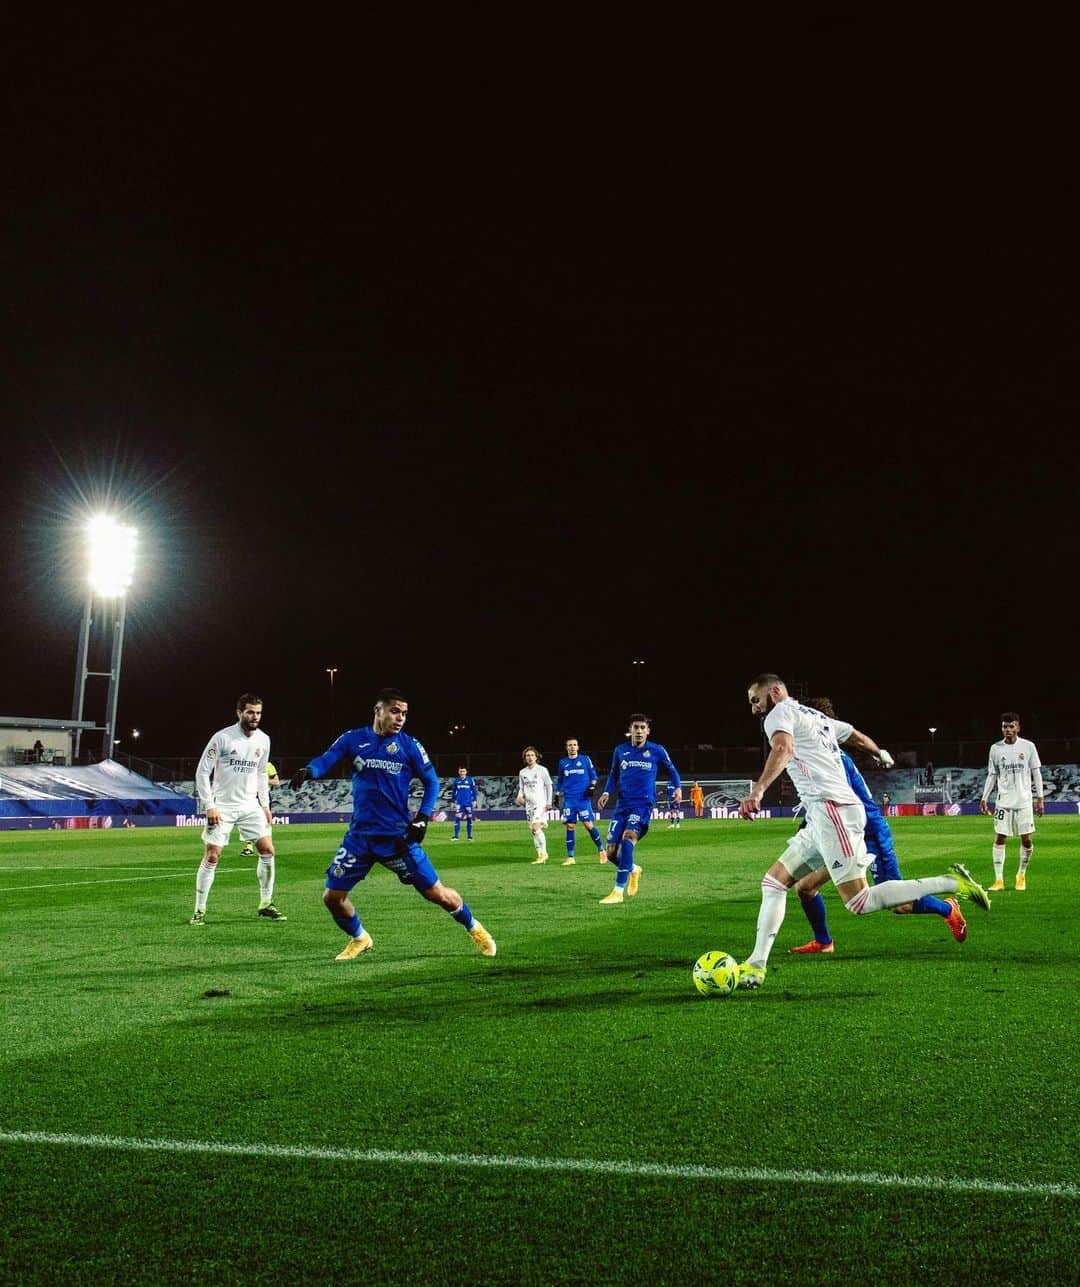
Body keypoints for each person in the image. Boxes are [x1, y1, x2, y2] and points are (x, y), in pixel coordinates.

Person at [735, 674, 990, 990]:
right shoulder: (815, 717)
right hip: (822, 815)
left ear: (774, 692)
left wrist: (758, 790)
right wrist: (878, 751)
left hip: (834, 812)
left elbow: (784, 747)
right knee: (774, 882)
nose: (754, 709)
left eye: (755, 700)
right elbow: (854, 735)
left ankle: (954, 883)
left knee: (859, 902)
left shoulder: (780, 713)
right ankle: (757, 965)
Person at [290, 687, 495, 959]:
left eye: (404, 713)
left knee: (438, 895)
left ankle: (476, 929)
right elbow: (328, 758)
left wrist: (422, 818)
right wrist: (310, 770)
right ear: (378, 710)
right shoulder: (354, 739)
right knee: (332, 898)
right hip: (360, 839)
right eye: (395, 711)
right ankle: (359, 938)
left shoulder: (409, 745)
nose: (400, 718)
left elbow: (431, 781)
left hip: (398, 840)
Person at [788, 698, 967, 954]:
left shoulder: (834, 759)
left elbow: (837, 803)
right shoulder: (816, 755)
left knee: (899, 905)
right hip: (840, 832)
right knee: (805, 887)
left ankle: (948, 907)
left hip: (867, 831)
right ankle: (824, 943)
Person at [190, 693, 283, 925]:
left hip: (250, 805)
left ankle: (266, 902)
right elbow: (202, 772)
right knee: (212, 855)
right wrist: (209, 805)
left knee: (268, 850)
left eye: (258, 713)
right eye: (250, 712)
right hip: (223, 805)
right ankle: (199, 909)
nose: (255, 717)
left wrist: (264, 805)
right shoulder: (222, 738)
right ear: (239, 712)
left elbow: (262, 773)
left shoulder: (264, 740)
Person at [596, 714, 681, 904]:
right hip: (622, 805)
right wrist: (607, 793)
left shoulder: (656, 750)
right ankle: (633, 869)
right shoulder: (620, 750)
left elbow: (672, 770)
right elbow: (613, 775)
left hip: (642, 805)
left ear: (648, 731)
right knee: (610, 853)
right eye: (636, 727)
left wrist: (678, 787)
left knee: (628, 839)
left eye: (643, 728)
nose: (640, 731)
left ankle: (618, 892)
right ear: (630, 730)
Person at [980, 712, 1044, 892]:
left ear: (1018, 727)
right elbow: (992, 775)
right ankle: (999, 880)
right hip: (1003, 802)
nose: (1007, 730)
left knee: (1026, 840)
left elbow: (1036, 773)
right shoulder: (995, 749)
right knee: (1000, 837)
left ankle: (1021, 874)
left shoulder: (1028, 746)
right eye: (1004, 726)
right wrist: (984, 797)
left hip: (1024, 801)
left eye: (1011, 726)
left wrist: (1040, 798)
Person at [554, 737, 604, 864]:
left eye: (574, 745)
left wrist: (592, 786)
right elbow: (560, 780)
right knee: (570, 826)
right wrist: (557, 793)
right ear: (566, 748)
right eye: (569, 745)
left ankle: (602, 850)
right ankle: (571, 857)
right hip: (569, 799)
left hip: (582, 799)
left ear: (578, 747)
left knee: (588, 825)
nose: (572, 747)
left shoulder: (585, 759)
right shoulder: (562, 762)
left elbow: (593, 775)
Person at [516, 746, 553, 863]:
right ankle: (540, 855)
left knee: (536, 827)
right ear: (524, 758)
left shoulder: (542, 770)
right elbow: (522, 788)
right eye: (527, 755)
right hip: (528, 805)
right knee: (533, 831)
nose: (530, 757)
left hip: (540, 803)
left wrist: (549, 802)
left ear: (536, 757)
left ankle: (544, 854)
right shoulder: (522, 772)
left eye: (532, 755)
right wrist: (519, 796)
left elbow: (549, 785)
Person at [241, 760, 280, 857]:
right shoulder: (248, 764)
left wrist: (262, 780)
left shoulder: (268, 765)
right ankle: (249, 847)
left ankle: (268, 844)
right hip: (250, 796)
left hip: (264, 796)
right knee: (248, 820)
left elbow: (276, 781)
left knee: (266, 821)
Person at [450, 765, 478, 841]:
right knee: (457, 819)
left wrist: (474, 800)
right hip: (459, 803)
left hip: (468, 803)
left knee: (469, 819)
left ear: (466, 772)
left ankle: (469, 836)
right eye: (461, 771)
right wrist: (452, 801)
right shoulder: (456, 780)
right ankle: (456, 836)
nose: (462, 773)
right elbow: (454, 792)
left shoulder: (470, 780)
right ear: (459, 772)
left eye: (463, 771)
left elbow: (474, 791)